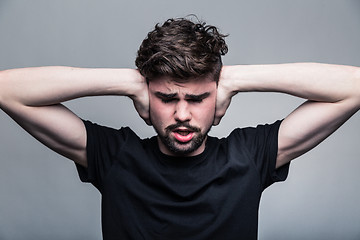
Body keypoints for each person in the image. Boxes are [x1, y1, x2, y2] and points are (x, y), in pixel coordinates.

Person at [0, 17, 359, 240]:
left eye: (199, 98)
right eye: (167, 98)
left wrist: (236, 79)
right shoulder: (114, 156)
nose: (183, 114)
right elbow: (6, 89)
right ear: (147, 98)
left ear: (216, 98)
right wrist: (128, 82)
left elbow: (354, 87)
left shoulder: (250, 155)